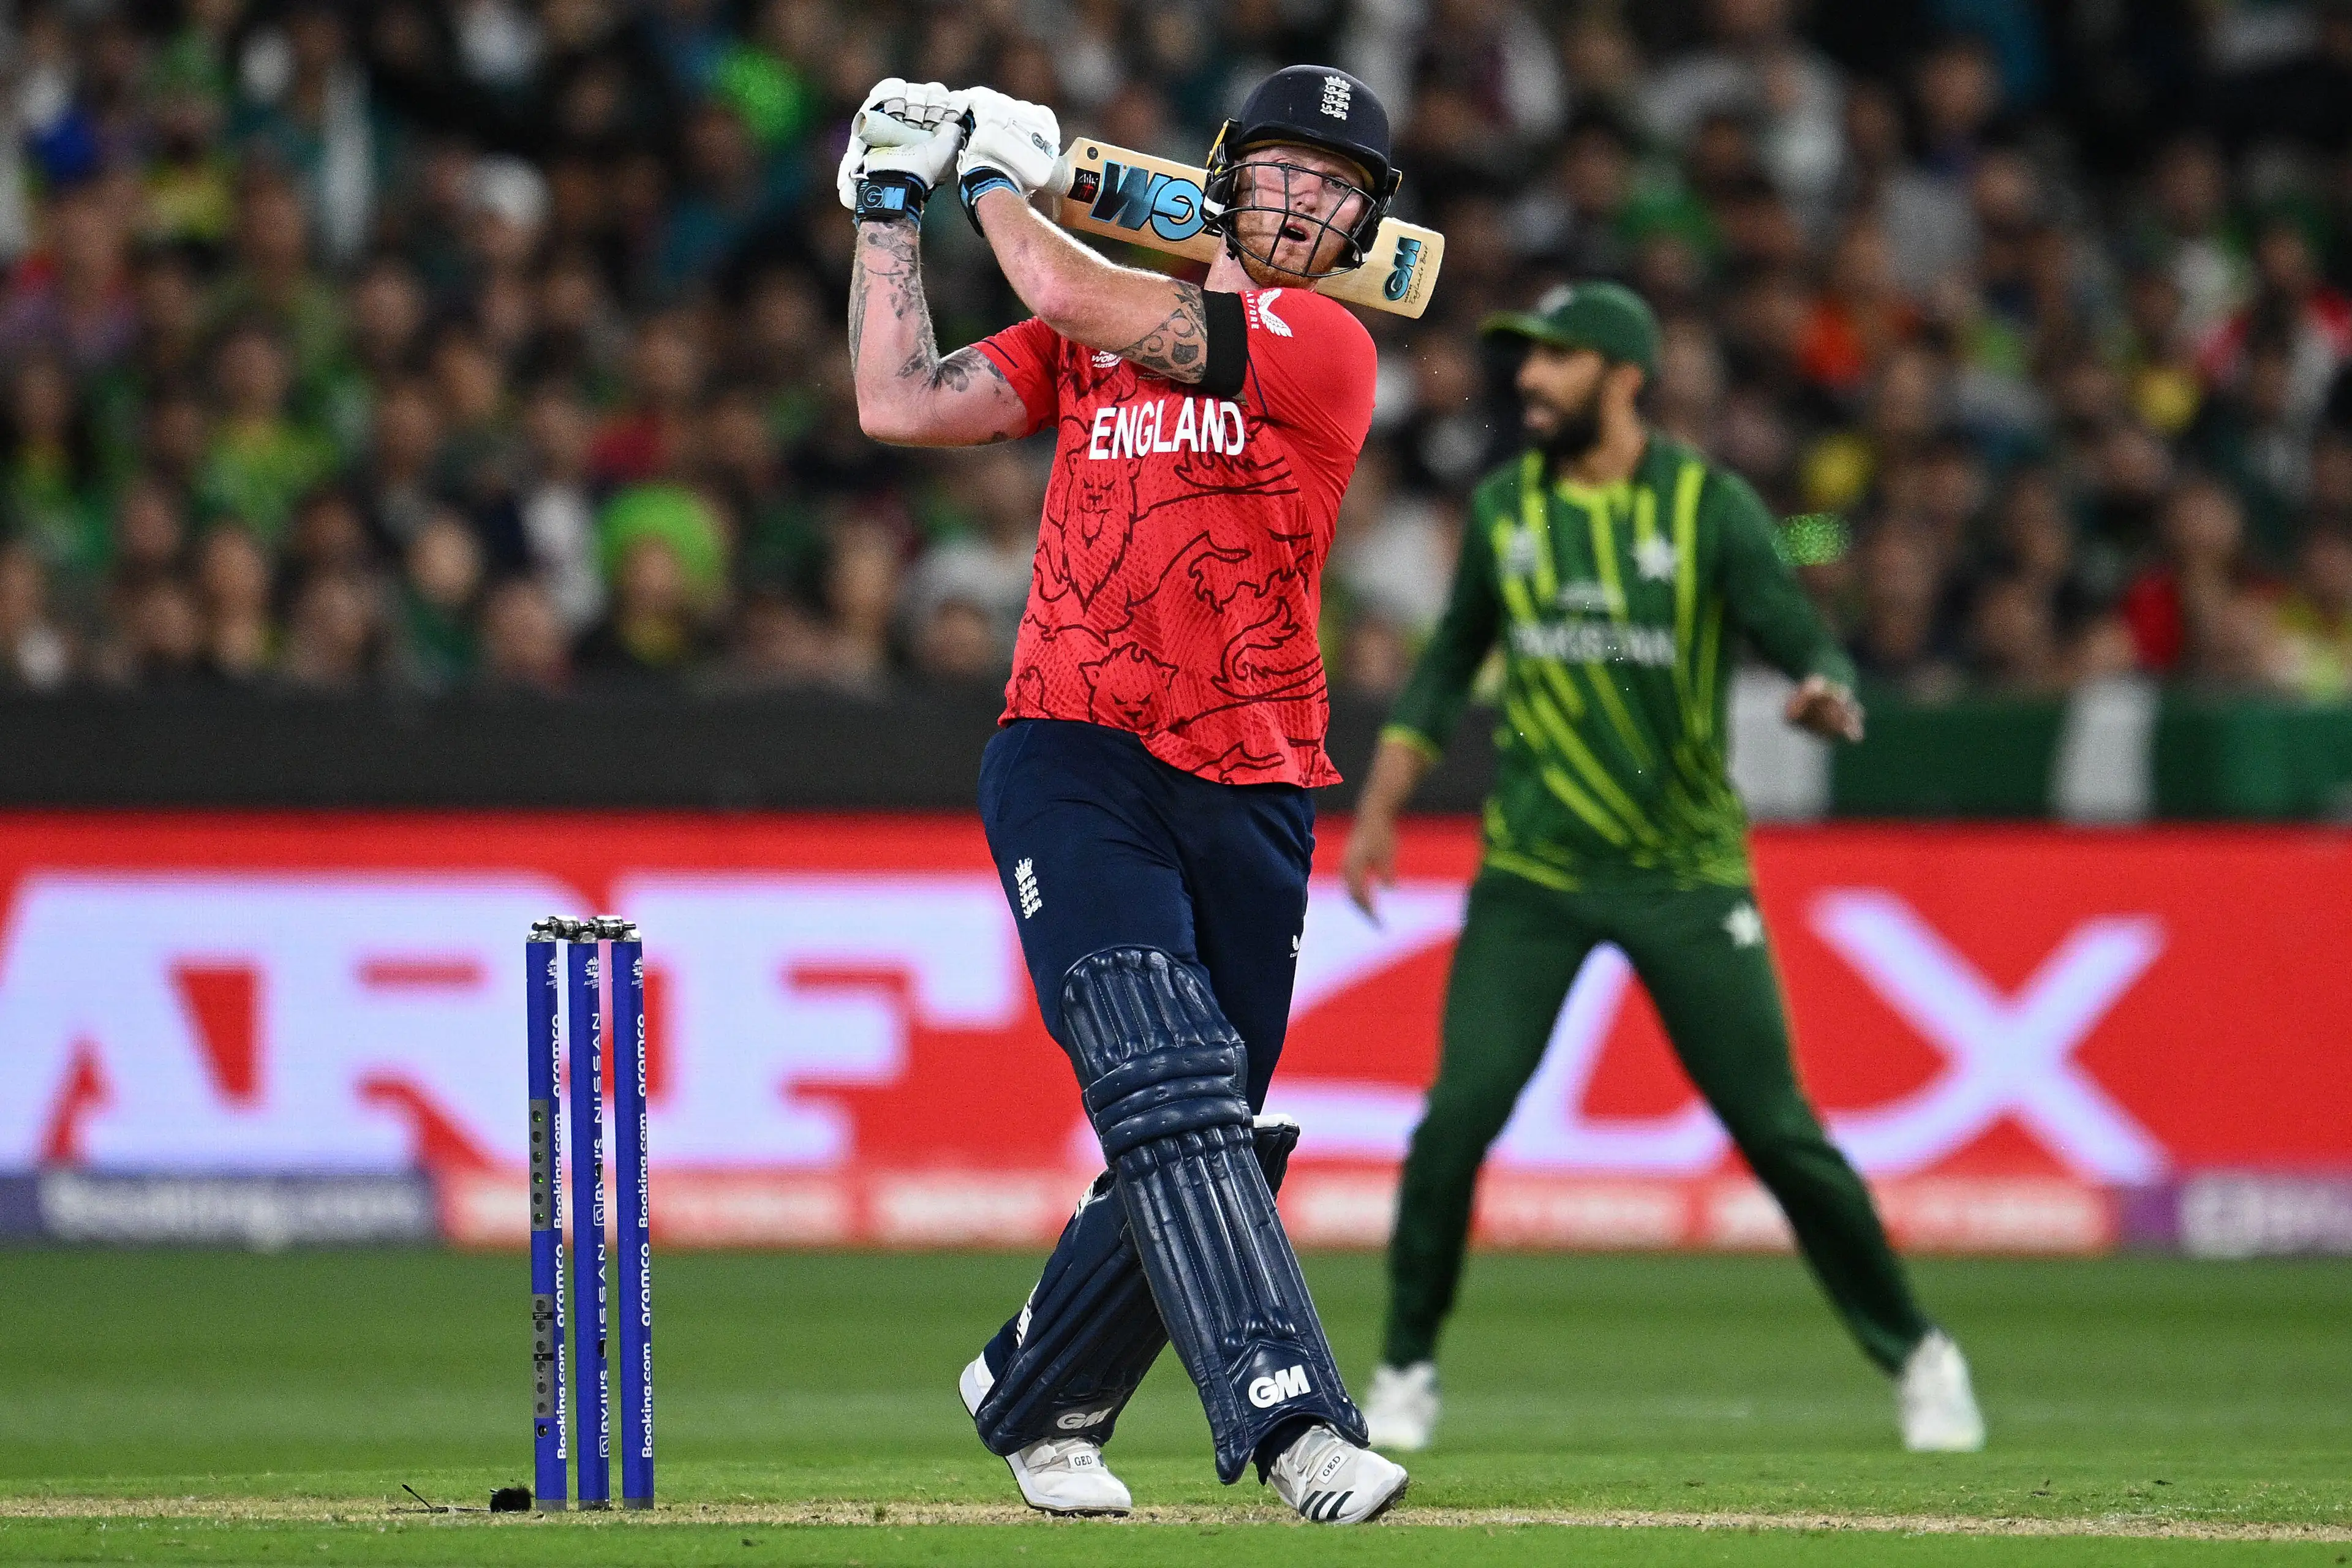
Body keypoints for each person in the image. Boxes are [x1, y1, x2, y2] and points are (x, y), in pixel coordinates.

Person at [842, 67, 1414, 1524]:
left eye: (1339, 189)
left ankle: (1035, 1388)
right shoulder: (1086, 326)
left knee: (1203, 1117)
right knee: (1163, 1076)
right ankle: (1295, 1424)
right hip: (1075, 749)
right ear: (1224, 175)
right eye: (1284, 170)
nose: (1308, 203)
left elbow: (1083, 293)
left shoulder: (1322, 344)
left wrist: (997, 179)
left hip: (1259, 775)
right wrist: (890, 207)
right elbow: (898, 402)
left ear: (1361, 226)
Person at [1342, 282, 1986, 1457]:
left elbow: (1794, 622)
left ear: (1624, 379)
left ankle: (1920, 1351)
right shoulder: (1502, 510)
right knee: (1456, 1121)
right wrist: (1380, 807)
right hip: (1534, 868)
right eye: (1525, 363)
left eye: (1557, 363)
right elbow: (1445, 670)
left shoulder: (1713, 507)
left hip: (1683, 870)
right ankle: (1403, 1370)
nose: (1529, 382)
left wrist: (1823, 685)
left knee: (1779, 1132)